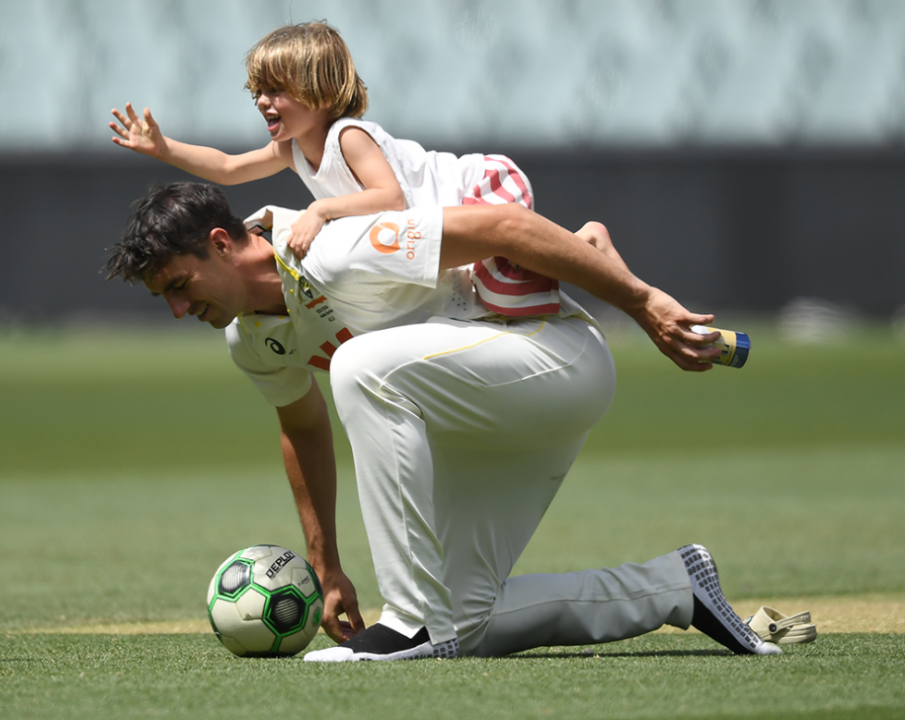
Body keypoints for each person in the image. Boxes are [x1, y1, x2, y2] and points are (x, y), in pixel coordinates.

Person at [106, 182, 780, 661]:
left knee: (360, 366)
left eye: (177, 287)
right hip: (480, 416)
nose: (175, 310)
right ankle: (676, 587)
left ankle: (406, 626)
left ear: (221, 244)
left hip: (553, 363)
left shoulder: (333, 247)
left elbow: (505, 228)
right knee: (469, 621)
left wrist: (642, 304)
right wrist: (326, 563)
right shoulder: (247, 339)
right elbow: (301, 425)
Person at [108, 22, 560, 319]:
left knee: (504, 300)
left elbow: (390, 199)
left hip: (482, 189)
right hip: (445, 228)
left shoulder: (348, 138)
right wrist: (164, 148)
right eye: (258, 91)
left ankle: (583, 246)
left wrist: (321, 210)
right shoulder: (291, 149)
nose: (263, 101)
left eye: (276, 90)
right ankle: (580, 245)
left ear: (319, 92)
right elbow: (227, 168)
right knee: (489, 303)